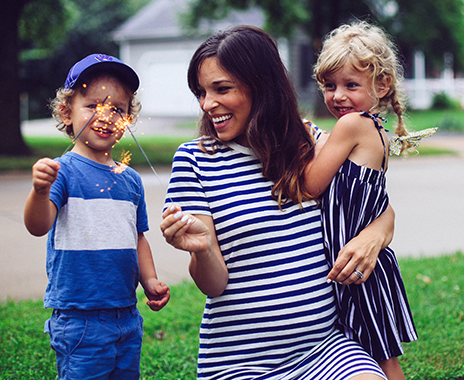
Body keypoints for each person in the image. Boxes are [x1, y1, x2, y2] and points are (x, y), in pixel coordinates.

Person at [160, 25, 396, 380]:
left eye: (222, 89)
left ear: (261, 85)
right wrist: (204, 249)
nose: (208, 104)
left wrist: (374, 236)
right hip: (239, 362)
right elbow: (213, 285)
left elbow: (371, 201)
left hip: (326, 349)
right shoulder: (195, 159)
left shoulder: (309, 141)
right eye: (201, 92)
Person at [24, 54, 171, 380]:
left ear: (128, 119)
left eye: (117, 109)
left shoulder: (130, 179)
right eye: (92, 106)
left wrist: (149, 281)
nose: (105, 116)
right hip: (80, 318)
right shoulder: (62, 173)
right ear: (67, 112)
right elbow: (38, 226)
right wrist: (39, 190)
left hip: (126, 315)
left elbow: (138, 236)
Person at [304, 21, 423, 380]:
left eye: (350, 85)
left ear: (382, 84)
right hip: (368, 267)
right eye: (330, 85)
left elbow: (310, 185)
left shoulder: (351, 125)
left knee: (383, 362)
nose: (338, 95)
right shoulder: (377, 129)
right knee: (379, 358)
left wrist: (310, 137)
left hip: (359, 272)